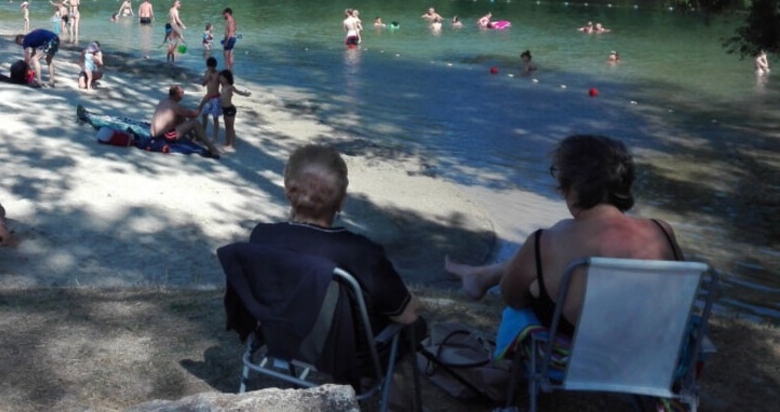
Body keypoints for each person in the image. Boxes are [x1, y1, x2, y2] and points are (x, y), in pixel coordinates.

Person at [444, 135, 683, 339]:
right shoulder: (661, 230)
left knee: (537, 279)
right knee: (542, 267)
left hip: (586, 354)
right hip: (650, 349)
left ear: (570, 184)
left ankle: (480, 277)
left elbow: (513, 299)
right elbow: (679, 294)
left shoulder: (548, 241)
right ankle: (481, 276)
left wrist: (541, 289)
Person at [249, 144, 421, 331]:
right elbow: (407, 314)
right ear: (341, 201)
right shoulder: (362, 253)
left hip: (280, 343)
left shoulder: (262, 237)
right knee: (417, 327)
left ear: (288, 193)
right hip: (344, 357)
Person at [150, 85, 221, 158]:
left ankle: (193, 136)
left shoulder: (163, 101)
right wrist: (203, 102)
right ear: (177, 95)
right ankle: (212, 148)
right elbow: (194, 115)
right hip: (165, 136)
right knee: (194, 122)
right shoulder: (175, 106)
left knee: (181, 116)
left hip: (153, 133)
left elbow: (182, 116)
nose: (183, 95)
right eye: (182, 93)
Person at [217, 69, 251, 150]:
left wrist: (245, 94)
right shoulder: (223, 87)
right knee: (226, 126)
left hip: (230, 109)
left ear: (227, 78)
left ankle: (231, 143)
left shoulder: (230, 87)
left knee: (230, 127)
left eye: (222, 78)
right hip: (225, 109)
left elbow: (238, 92)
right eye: (220, 78)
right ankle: (227, 141)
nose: (220, 79)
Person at [198, 57, 221, 140]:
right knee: (204, 115)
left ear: (215, 66)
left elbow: (224, 83)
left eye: (212, 67)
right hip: (208, 97)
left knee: (215, 118)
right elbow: (203, 84)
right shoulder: (206, 72)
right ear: (207, 66)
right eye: (209, 67)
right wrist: (207, 79)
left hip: (216, 98)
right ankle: (203, 132)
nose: (210, 69)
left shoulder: (218, 74)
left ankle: (215, 136)